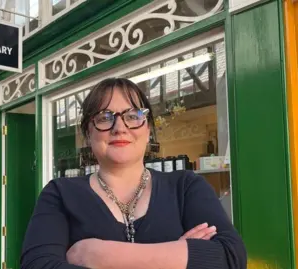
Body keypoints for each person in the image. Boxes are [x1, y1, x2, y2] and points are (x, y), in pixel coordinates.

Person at [20, 78, 247, 269]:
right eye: (104, 117)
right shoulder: (60, 193)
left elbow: (230, 257)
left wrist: (94, 254)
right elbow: (38, 265)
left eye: (133, 116)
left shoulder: (186, 186)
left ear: (148, 130)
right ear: (88, 134)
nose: (120, 128)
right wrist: (176, 255)